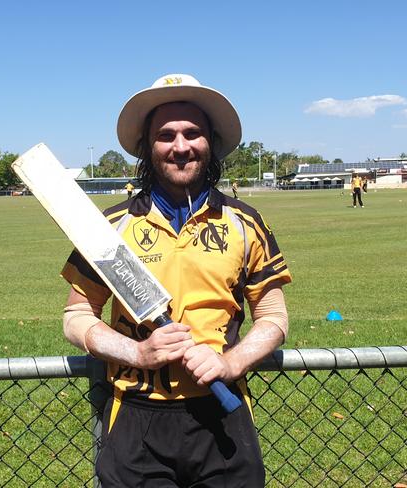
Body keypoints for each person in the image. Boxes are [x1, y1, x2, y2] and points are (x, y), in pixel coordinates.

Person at [61, 74, 291, 487]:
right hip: (135, 417)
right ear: (147, 148)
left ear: (210, 142)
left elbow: (273, 315)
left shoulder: (245, 223)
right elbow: (76, 316)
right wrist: (136, 352)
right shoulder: (110, 228)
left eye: (192, 133)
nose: (180, 146)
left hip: (222, 414)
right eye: (165, 135)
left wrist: (230, 362)